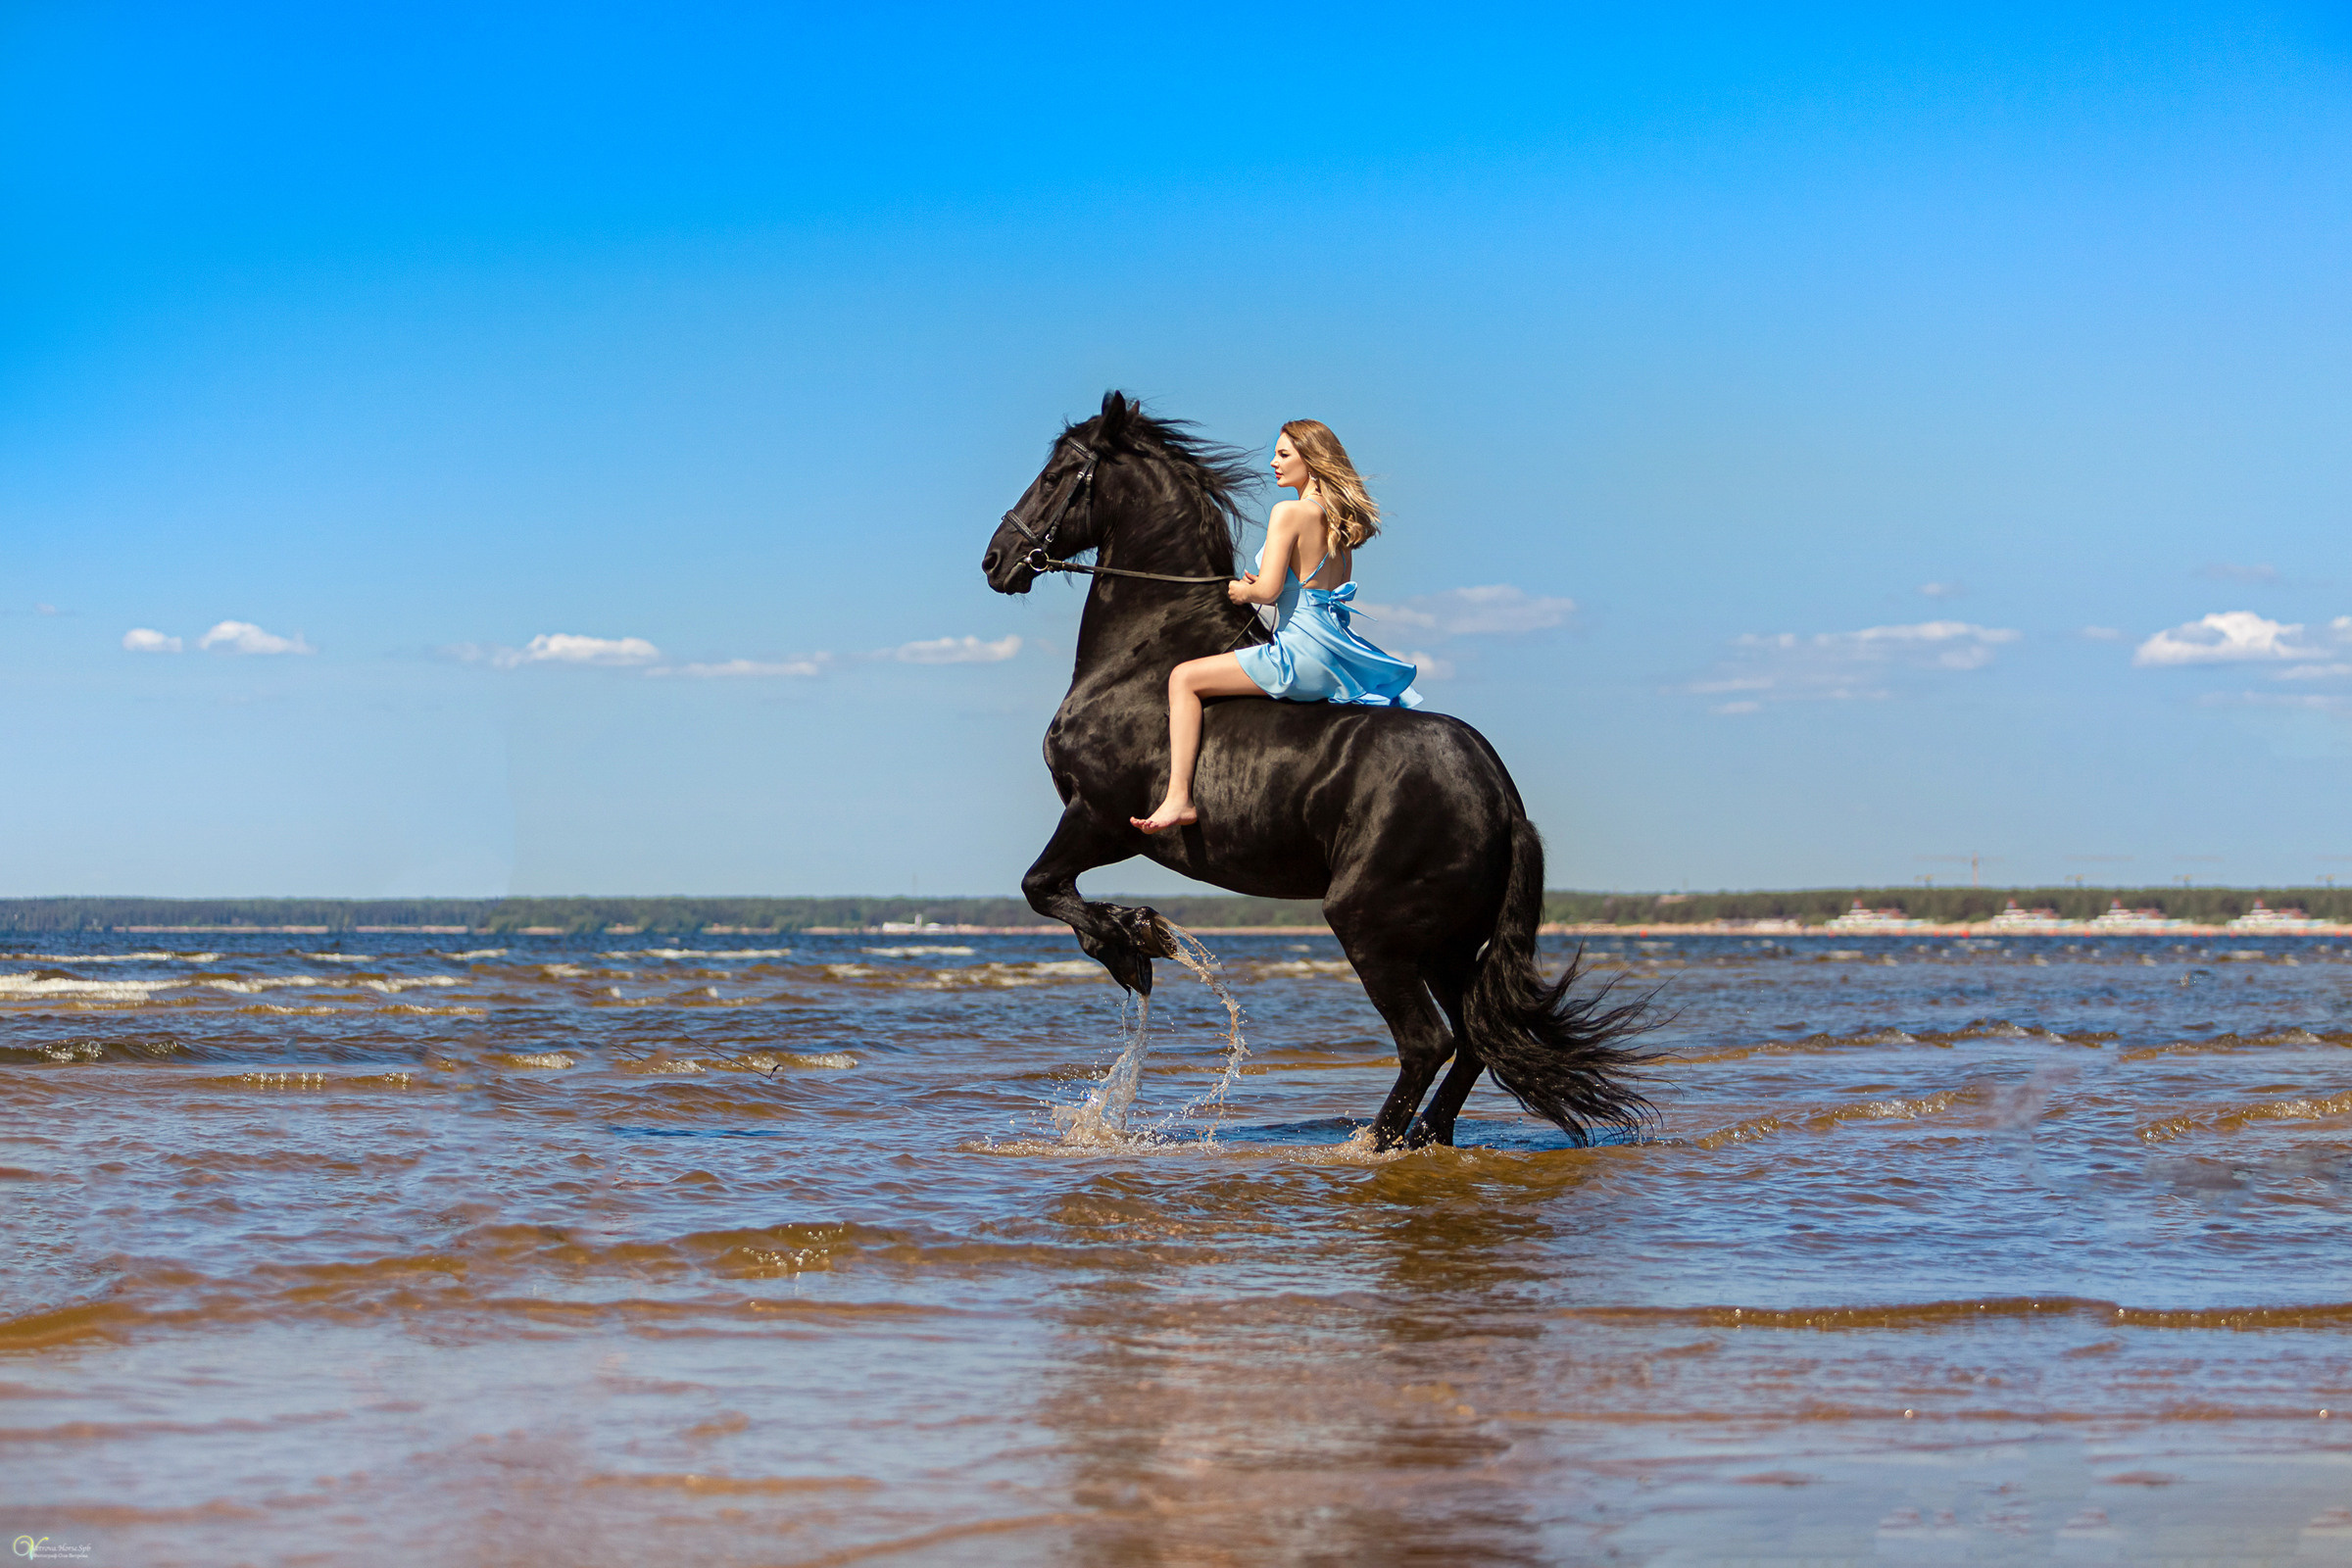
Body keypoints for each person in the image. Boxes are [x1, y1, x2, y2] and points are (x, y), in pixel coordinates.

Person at [1130, 418, 1423, 834]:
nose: (1273, 463)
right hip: (1333, 652)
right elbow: (1311, 587)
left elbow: (1267, 592)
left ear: (1313, 458)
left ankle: (1179, 797)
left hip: (1299, 652)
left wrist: (1240, 592)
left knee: (1183, 678)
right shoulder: (1338, 520)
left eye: (1284, 454)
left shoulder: (1289, 512)